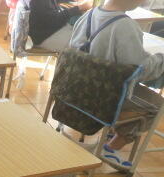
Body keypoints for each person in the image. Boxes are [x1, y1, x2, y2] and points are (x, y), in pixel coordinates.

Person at [70, 0, 164, 166]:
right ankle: (111, 146)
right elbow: (137, 70)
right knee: (156, 105)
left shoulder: (89, 15)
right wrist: (160, 59)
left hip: (76, 90)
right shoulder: (126, 26)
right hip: (103, 96)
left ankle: (113, 130)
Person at [24, 0, 92, 51]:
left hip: (50, 29)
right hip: (44, 36)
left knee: (85, 32)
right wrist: (79, 8)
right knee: (85, 44)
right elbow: (52, 20)